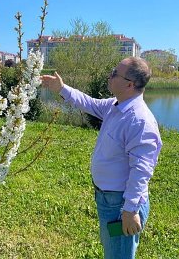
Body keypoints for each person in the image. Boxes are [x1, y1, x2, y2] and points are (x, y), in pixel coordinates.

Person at [41, 57, 162, 259]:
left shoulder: (140, 121)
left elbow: (141, 170)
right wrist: (61, 88)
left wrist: (130, 211)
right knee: (113, 251)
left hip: (120, 205)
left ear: (129, 84)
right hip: (108, 201)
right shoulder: (115, 106)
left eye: (115, 73)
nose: (110, 75)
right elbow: (89, 103)